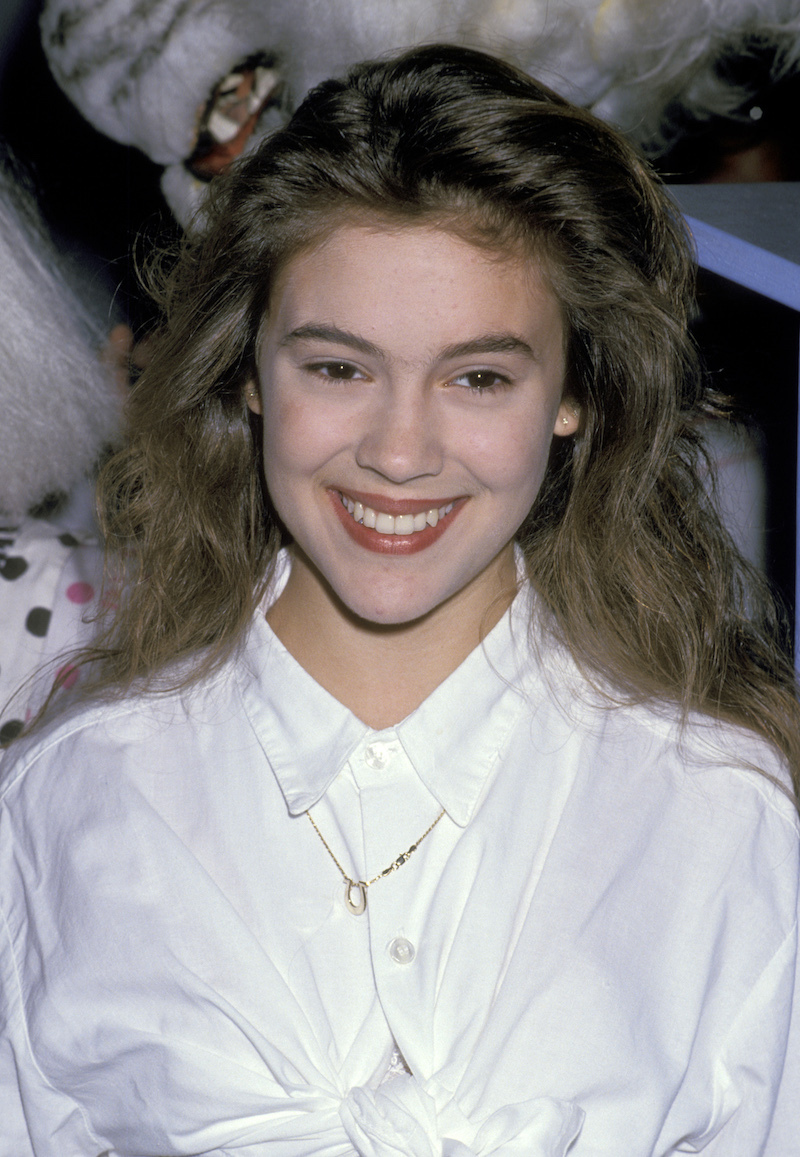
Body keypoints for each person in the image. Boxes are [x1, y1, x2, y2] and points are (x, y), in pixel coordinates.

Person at [0, 44, 798, 1157]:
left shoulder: (722, 817)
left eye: (478, 376)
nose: (399, 451)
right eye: (337, 367)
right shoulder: (62, 808)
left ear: (570, 396)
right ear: (247, 371)